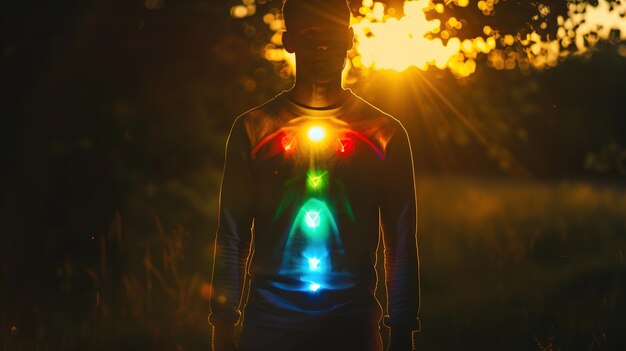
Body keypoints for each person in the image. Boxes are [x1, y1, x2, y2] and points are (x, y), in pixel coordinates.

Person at [209, 0, 420, 350]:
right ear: (289, 40)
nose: (322, 46)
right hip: (269, 330)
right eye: (310, 35)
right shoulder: (253, 129)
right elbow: (232, 235)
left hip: (352, 330)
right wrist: (222, 327)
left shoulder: (385, 133)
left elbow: (401, 241)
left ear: (350, 38)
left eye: (333, 35)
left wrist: (402, 332)